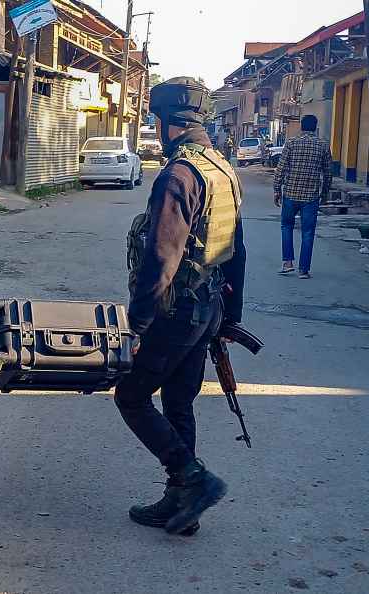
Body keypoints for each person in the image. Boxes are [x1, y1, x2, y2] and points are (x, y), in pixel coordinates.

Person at [118, 77, 247, 536]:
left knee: (131, 396)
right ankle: (183, 506)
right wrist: (230, 319)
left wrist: (137, 325)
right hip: (209, 307)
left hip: (178, 311)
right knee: (177, 400)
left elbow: (161, 258)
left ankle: (192, 480)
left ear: (165, 123)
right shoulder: (221, 168)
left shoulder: (178, 175)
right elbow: (238, 247)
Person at [274, 114, 332, 278]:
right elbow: (328, 172)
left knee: (286, 227)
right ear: (315, 127)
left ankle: (287, 263)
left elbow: (281, 168)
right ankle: (303, 270)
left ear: (301, 126)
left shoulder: (291, 143)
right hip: (311, 197)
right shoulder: (323, 145)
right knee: (308, 232)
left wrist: (277, 190)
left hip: (291, 194)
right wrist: (325, 193)